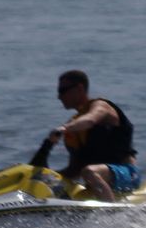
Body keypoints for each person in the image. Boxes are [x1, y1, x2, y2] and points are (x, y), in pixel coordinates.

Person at [47, 70, 140, 202]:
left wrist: (65, 128)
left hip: (128, 174)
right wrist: (48, 177)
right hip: (96, 179)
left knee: (89, 172)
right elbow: (74, 170)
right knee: (79, 174)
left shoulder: (101, 106)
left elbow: (91, 119)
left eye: (63, 90)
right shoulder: (74, 126)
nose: (59, 96)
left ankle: (112, 215)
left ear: (80, 88)